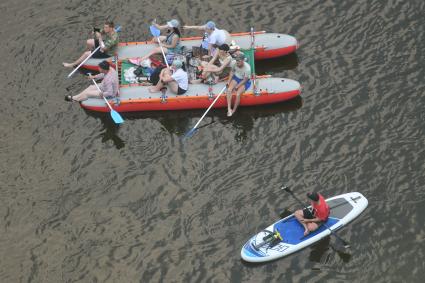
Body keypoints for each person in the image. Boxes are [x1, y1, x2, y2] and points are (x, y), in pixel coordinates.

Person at [225, 52, 251, 117]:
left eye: (239, 61)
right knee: (229, 90)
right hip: (236, 77)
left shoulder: (247, 69)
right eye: (236, 60)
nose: (237, 62)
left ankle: (234, 110)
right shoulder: (234, 63)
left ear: (243, 61)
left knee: (238, 94)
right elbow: (232, 71)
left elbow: (245, 80)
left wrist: (237, 86)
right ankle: (229, 108)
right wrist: (228, 81)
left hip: (245, 81)